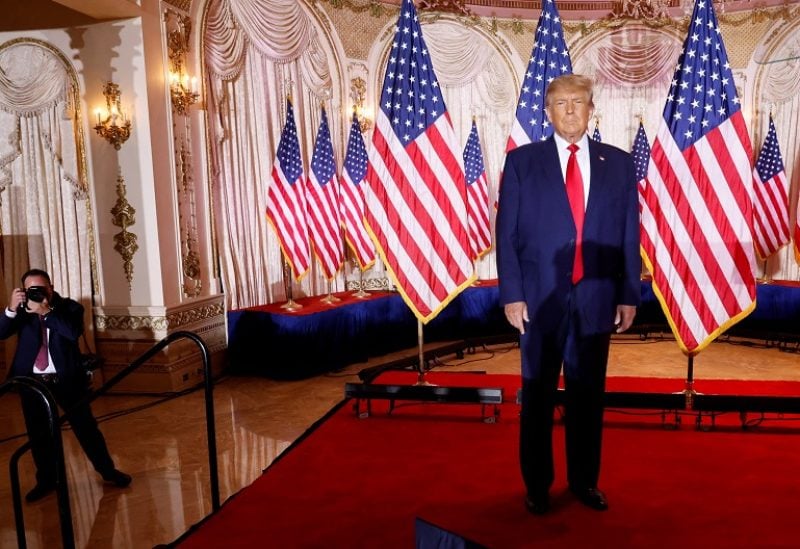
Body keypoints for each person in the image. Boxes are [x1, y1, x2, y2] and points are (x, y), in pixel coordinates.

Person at [495, 74, 640, 515]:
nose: (570, 110)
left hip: (597, 299)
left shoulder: (618, 163)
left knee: (587, 395)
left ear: (591, 108)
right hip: (538, 303)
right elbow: (507, 235)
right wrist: (512, 295)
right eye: (560, 103)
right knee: (536, 395)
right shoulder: (522, 163)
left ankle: (583, 481)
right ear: (547, 111)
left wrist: (628, 294)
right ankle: (538, 485)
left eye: (578, 102)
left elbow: (628, 233)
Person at [0, 268, 131, 502]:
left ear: (51, 287)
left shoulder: (71, 307)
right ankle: (46, 481)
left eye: (41, 288)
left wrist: (46, 311)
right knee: (38, 434)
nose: (37, 293)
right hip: (33, 383)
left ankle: (108, 472)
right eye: (31, 290)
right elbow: (2, 332)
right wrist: (11, 309)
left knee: (86, 428)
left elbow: (72, 332)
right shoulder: (21, 311)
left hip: (67, 380)